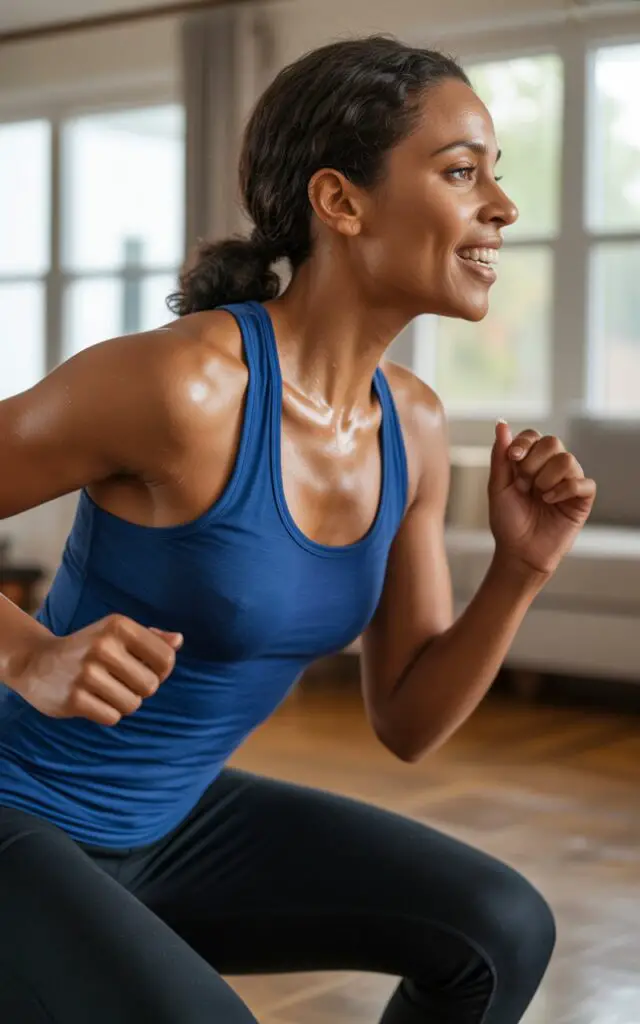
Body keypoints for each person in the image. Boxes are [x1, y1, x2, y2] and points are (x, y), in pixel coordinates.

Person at [0, 35, 595, 1024]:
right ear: (341, 201)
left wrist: (519, 571)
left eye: (498, 175)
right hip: (15, 817)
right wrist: (27, 653)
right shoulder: (182, 385)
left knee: (500, 928)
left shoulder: (410, 421)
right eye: (459, 173)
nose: (502, 207)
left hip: (169, 825)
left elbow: (406, 721)